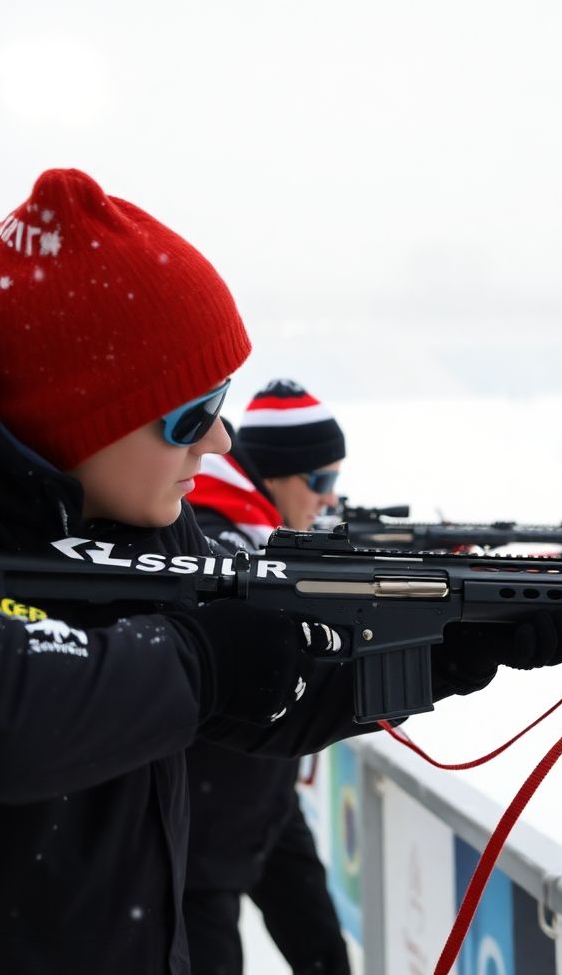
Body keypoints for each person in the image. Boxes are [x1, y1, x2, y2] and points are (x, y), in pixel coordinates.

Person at [0, 167, 562, 975]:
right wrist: (200, 658)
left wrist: (447, 645)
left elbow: (264, 687)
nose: (219, 443)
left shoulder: (124, 498)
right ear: (76, 415)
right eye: (192, 414)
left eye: (222, 403)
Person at [183, 380, 351, 974]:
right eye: (321, 482)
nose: (328, 502)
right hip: (201, 833)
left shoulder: (258, 528)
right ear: (276, 475)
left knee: (328, 958)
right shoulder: (210, 531)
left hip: (267, 801)